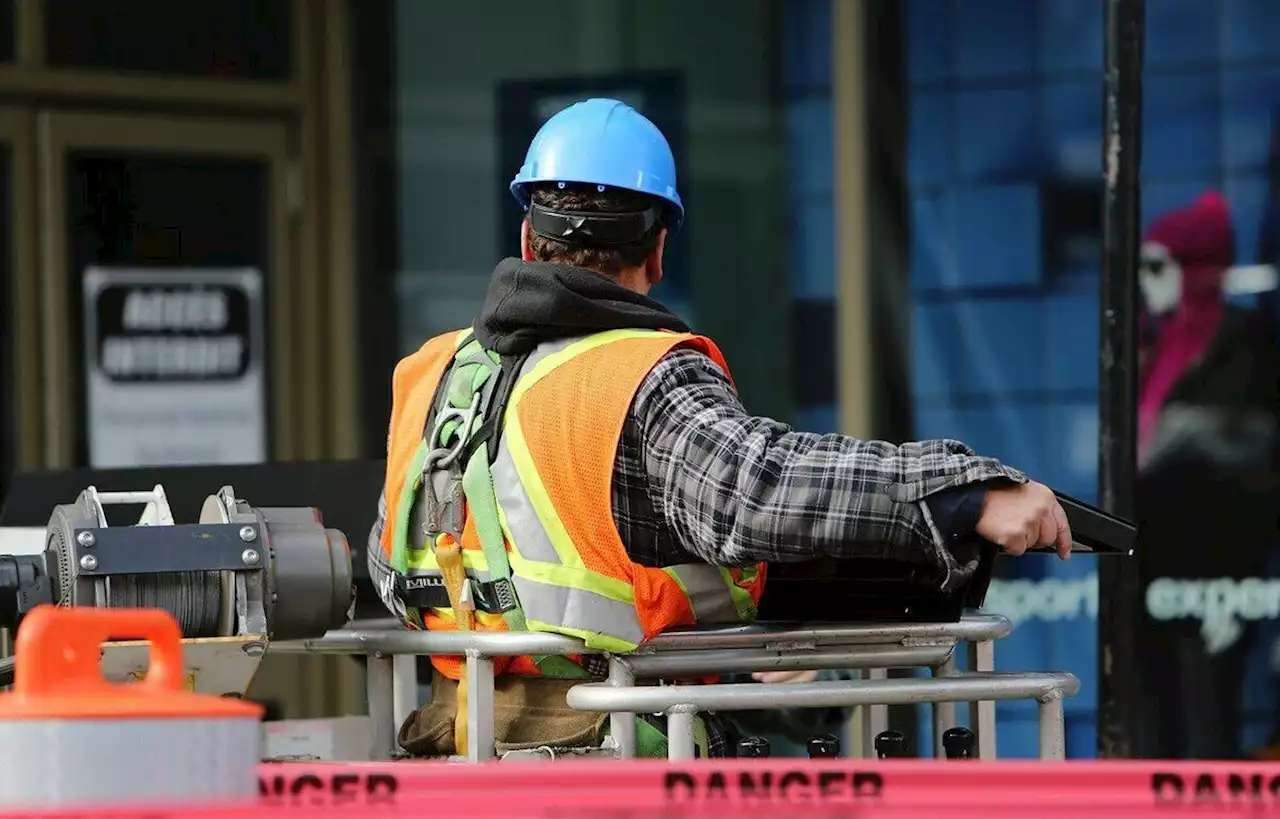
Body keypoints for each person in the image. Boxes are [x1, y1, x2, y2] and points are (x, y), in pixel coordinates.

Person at [368, 98, 1073, 759]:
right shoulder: (639, 375)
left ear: (527, 235)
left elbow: (392, 561)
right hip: (612, 759)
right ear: (659, 250)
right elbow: (755, 488)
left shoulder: (432, 375)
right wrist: (964, 493)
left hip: (455, 753)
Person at [1132, 192, 1280, 759]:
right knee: (1153, 714)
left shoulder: (1244, 343)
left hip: (1218, 569)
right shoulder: (1149, 343)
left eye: (1157, 266)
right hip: (1149, 565)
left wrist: (1237, 583)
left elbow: (1249, 450)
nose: (1147, 282)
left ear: (1195, 268)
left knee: (1210, 711)